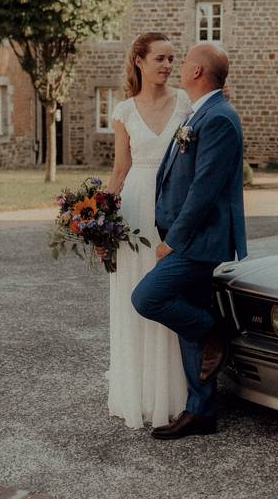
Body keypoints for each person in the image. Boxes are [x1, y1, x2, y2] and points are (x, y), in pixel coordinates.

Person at [131, 43, 247, 440]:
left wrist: (174, 241)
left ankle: (217, 331)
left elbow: (204, 190)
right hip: (189, 237)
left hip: (199, 241)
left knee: (148, 298)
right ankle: (202, 411)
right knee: (188, 324)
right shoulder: (201, 112)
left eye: (183, 63)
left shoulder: (218, 118)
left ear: (197, 71)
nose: (177, 68)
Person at [105, 32, 192, 428]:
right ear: (139, 60)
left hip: (173, 206)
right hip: (134, 210)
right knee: (132, 294)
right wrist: (101, 221)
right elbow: (120, 170)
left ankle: (172, 394)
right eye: (160, 58)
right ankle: (137, 391)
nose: (167, 65)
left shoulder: (186, 104)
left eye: (172, 59)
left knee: (167, 290)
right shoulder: (124, 110)